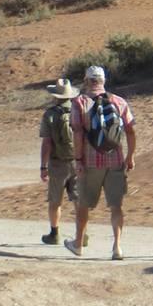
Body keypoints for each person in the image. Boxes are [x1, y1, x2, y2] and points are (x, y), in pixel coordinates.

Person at [66, 66, 136, 260]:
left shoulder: (80, 102)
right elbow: (130, 130)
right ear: (104, 81)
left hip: (90, 160)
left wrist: (78, 160)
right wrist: (130, 156)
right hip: (116, 160)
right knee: (116, 205)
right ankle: (117, 247)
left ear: (86, 81)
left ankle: (78, 244)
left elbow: (78, 133)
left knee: (83, 204)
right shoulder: (119, 102)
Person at [39, 79, 84, 245]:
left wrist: (43, 166)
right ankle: (82, 233)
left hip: (57, 163)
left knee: (55, 201)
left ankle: (54, 233)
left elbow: (47, 143)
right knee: (79, 200)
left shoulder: (50, 114)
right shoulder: (79, 111)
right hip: (78, 161)